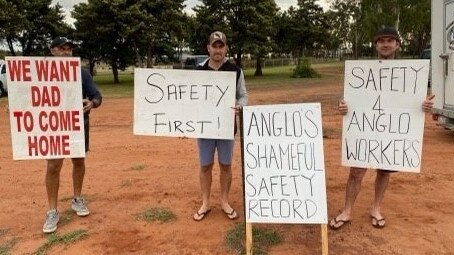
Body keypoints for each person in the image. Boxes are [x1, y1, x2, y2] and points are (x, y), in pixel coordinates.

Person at [329, 27, 435, 230]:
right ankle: (347, 210)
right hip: (365, 130)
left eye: (390, 40)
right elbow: (349, 101)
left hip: (390, 133)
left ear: (397, 45)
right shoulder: (361, 72)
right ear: (375, 45)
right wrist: (343, 107)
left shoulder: (410, 74)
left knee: (384, 171)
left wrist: (423, 106)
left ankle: (376, 209)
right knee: (356, 172)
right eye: (381, 41)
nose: (386, 44)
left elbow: (412, 104)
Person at [42, 37, 102, 233]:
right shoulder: (38, 72)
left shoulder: (82, 73)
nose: (66, 51)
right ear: (52, 50)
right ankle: (52, 210)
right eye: (61, 48)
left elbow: (97, 96)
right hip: (52, 127)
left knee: (79, 161)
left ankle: (77, 199)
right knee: (53, 166)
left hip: (77, 126)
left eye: (69, 48)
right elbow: (27, 96)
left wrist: (92, 103)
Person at [193, 31, 248, 221]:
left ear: (225, 48)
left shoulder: (235, 71)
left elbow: (242, 96)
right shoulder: (198, 72)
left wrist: (240, 106)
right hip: (205, 129)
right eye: (214, 46)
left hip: (226, 128)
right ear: (208, 48)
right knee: (205, 166)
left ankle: (224, 201)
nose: (217, 50)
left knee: (226, 165)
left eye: (221, 46)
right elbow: (189, 101)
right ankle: (206, 203)